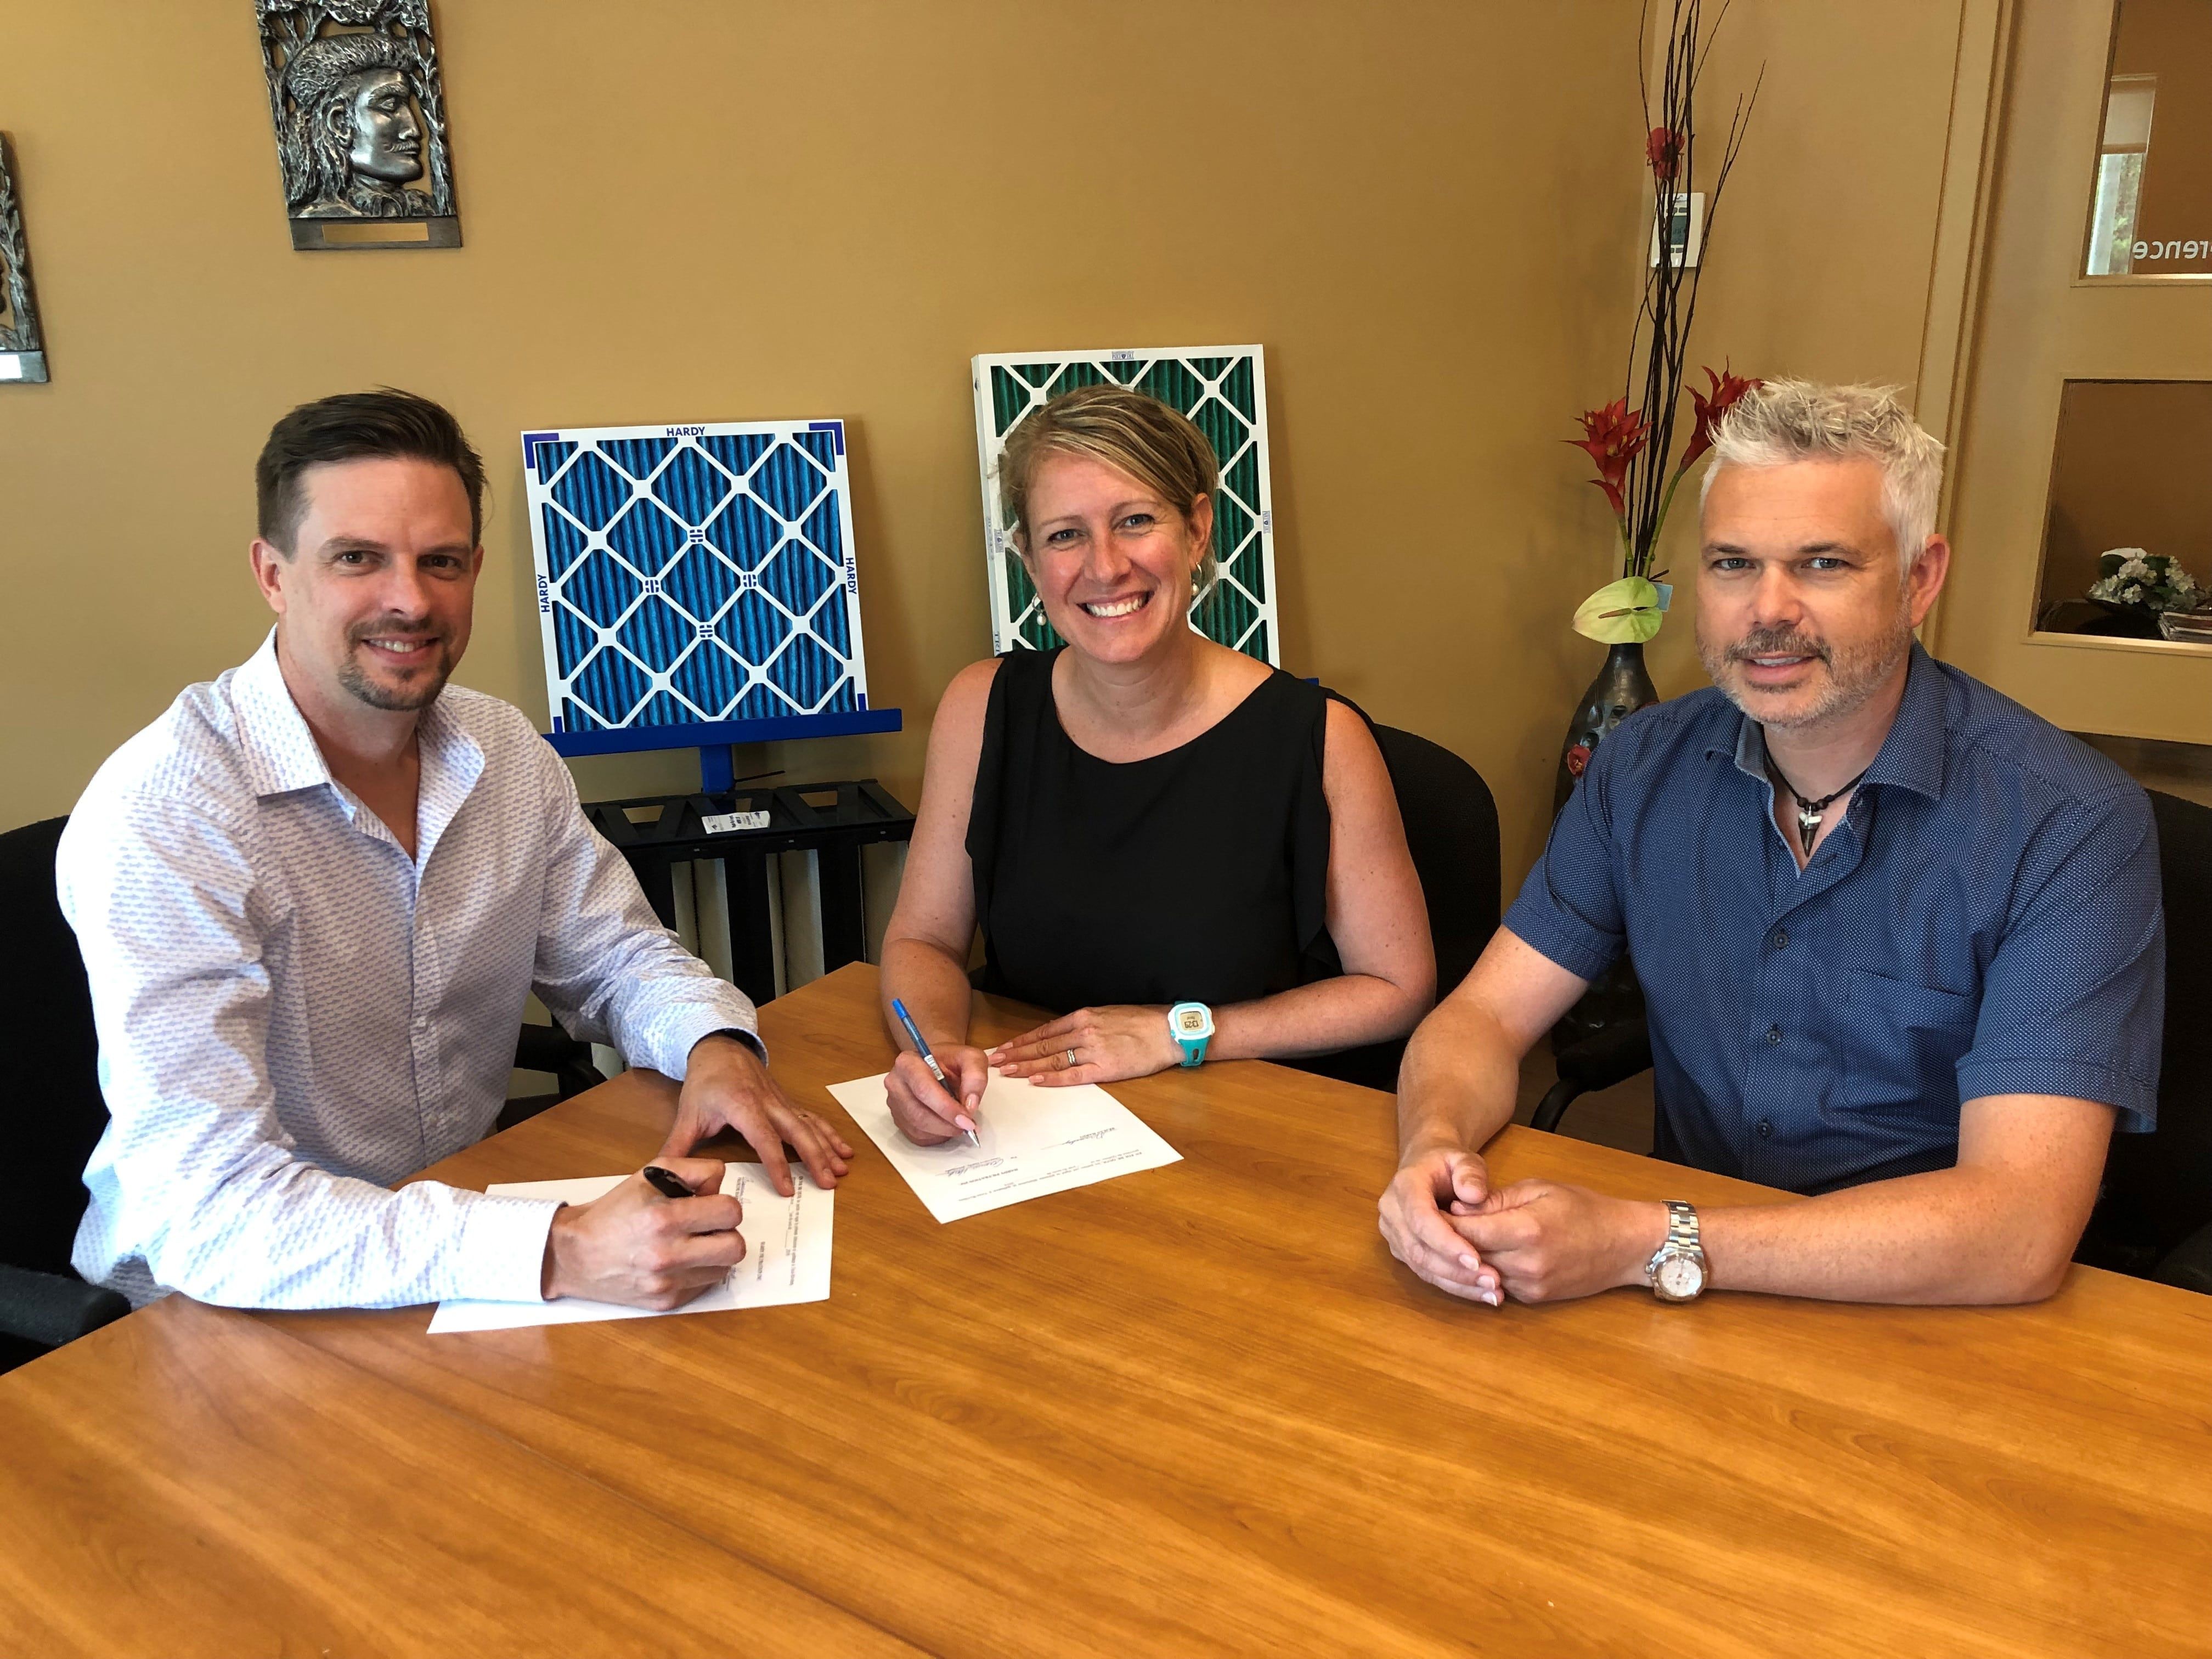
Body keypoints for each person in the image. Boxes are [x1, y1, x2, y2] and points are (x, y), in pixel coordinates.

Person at [59, 390, 851, 1312]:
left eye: (440, 562)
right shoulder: (169, 811)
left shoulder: (502, 751)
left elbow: (617, 958)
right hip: (218, 1306)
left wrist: (715, 1043)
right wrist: (554, 1252)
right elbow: (211, 1213)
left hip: (449, 1257)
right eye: (357, 558)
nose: (410, 599)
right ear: (273, 574)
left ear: (475, 569)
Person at [1379, 380, 2163, 1309]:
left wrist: (1645, 1239)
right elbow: (1485, 1019)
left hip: (1934, 1308)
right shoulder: (1639, 767)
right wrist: (1435, 1145)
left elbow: (2017, 1228)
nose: (1769, 610)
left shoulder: (2071, 822)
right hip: (1690, 1293)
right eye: (1733, 564)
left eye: (1824, 564)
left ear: (1920, 578)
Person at [877, 383, 1434, 1144]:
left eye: (1135, 521)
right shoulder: (982, 707)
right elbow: (924, 941)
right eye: (1065, 536)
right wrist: (937, 1050)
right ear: (1030, 562)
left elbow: (1397, 988)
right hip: (1030, 1129)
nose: (1105, 567)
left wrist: (1180, 1034)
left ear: (1198, 530)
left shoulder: (1321, 738)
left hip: (1241, 1127)